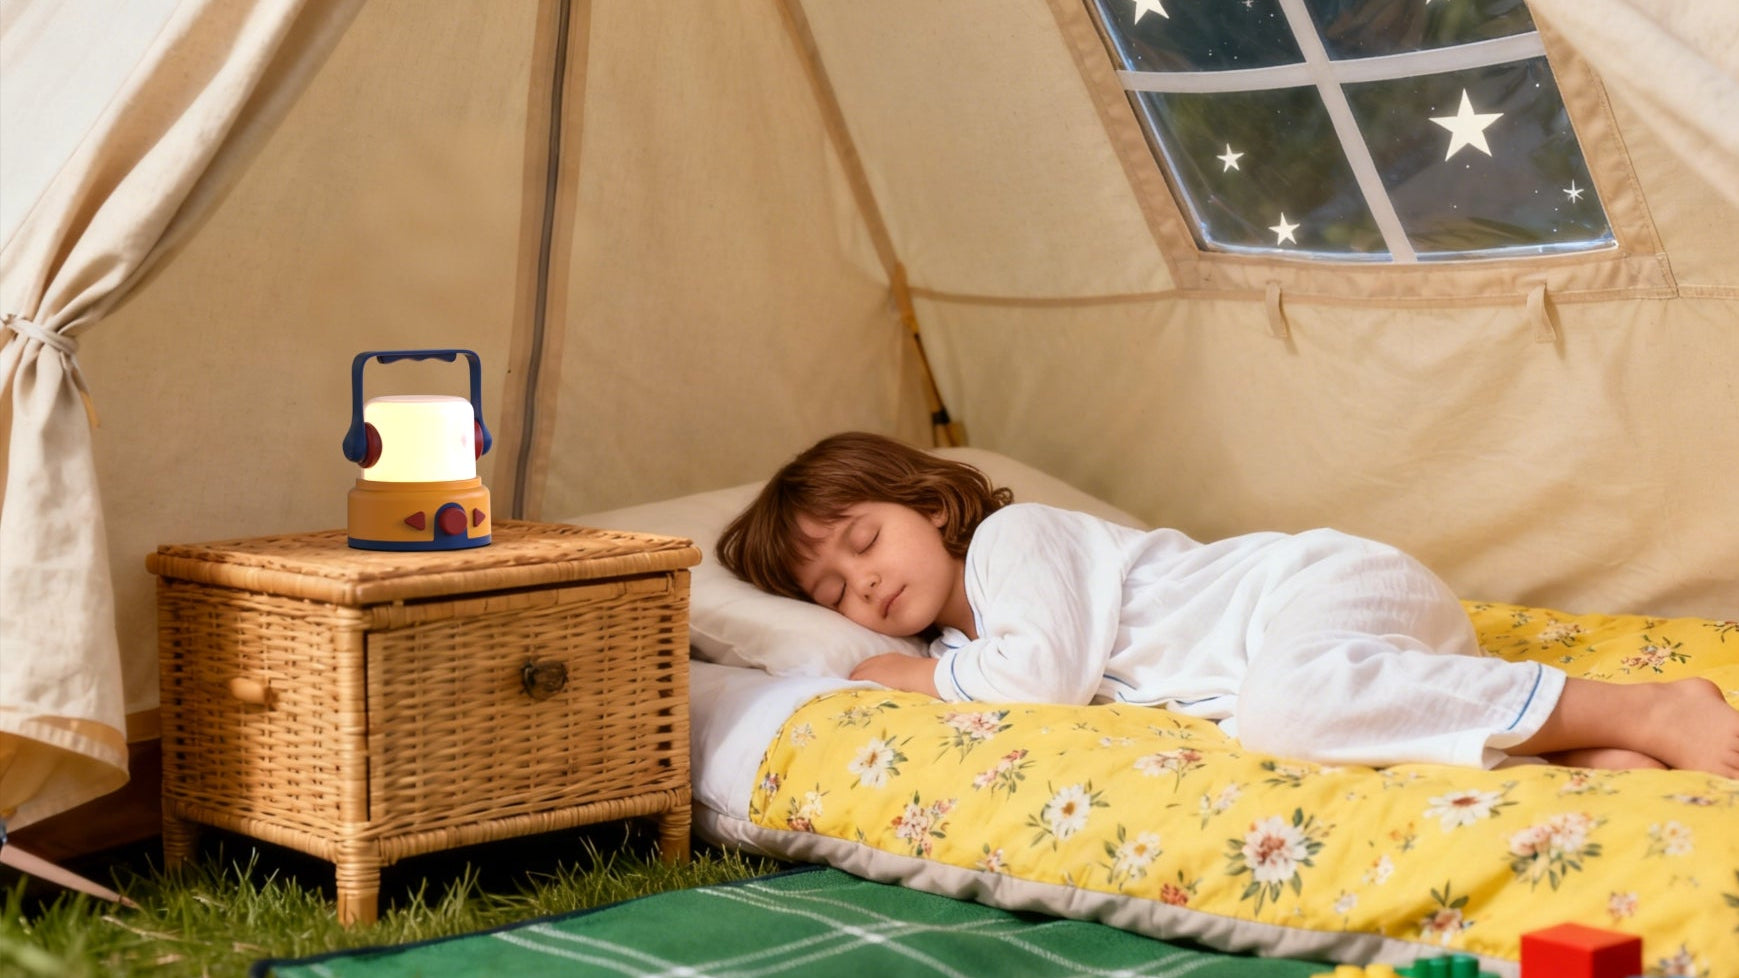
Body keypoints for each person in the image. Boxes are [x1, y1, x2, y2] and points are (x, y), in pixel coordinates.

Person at [717, 432, 1739, 775]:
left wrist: (907, 675)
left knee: (1286, 708)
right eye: (834, 592)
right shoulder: (958, 630)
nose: (865, 584)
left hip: (1323, 585)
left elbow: (1035, 680)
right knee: (1303, 717)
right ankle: (1560, 740)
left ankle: (1650, 707)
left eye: (865, 542)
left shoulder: (1008, 543)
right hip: (1341, 643)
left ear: (929, 503)